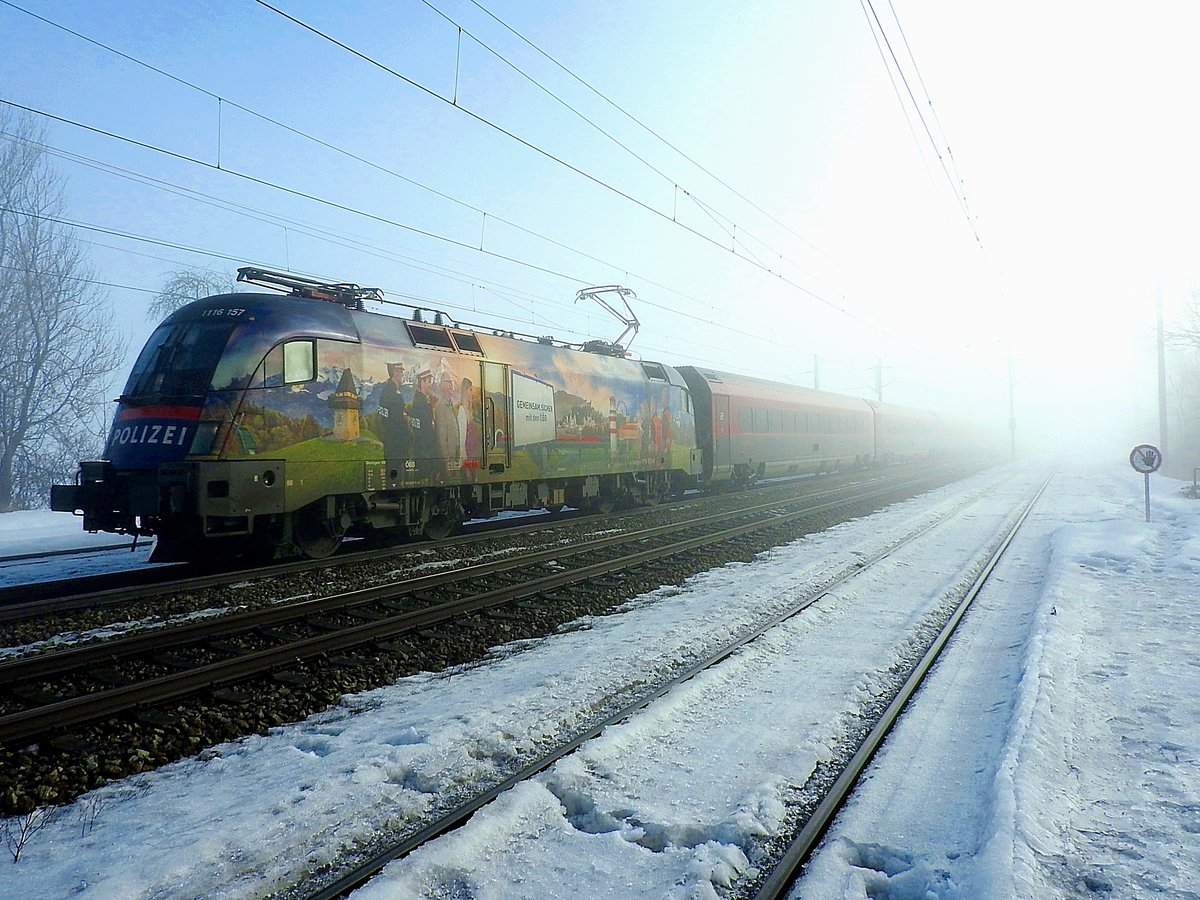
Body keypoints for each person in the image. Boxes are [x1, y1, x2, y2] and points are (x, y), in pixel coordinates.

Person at [378, 362, 412, 467]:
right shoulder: (390, 392)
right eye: (401, 371)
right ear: (395, 372)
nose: (402, 374)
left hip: (395, 443)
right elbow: (392, 420)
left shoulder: (391, 391)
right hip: (395, 445)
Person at [410, 368, 437, 480]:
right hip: (425, 453)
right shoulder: (422, 404)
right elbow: (426, 432)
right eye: (429, 381)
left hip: (421, 452)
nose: (431, 384)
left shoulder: (418, 400)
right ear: (422, 382)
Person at [435, 371, 461, 480]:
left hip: (454, 456)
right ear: (442, 385)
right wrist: (447, 461)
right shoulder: (441, 406)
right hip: (449, 460)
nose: (451, 385)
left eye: (452, 382)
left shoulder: (450, 404)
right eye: (448, 382)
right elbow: (441, 437)